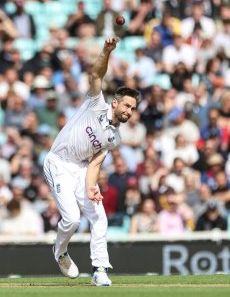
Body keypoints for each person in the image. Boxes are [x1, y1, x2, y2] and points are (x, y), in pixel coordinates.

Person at [43, 37, 140, 286]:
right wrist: (106, 50)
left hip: (81, 170)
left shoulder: (113, 137)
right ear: (115, 102)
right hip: (58, 162)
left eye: (133, 109)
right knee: (73, 219)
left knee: (99, 216)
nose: (129, 112)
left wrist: (91, 186)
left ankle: (100, 271)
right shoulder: (95, 103)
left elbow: (95, 163)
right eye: (127, 106)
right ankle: (60, 251)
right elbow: (97, 74)